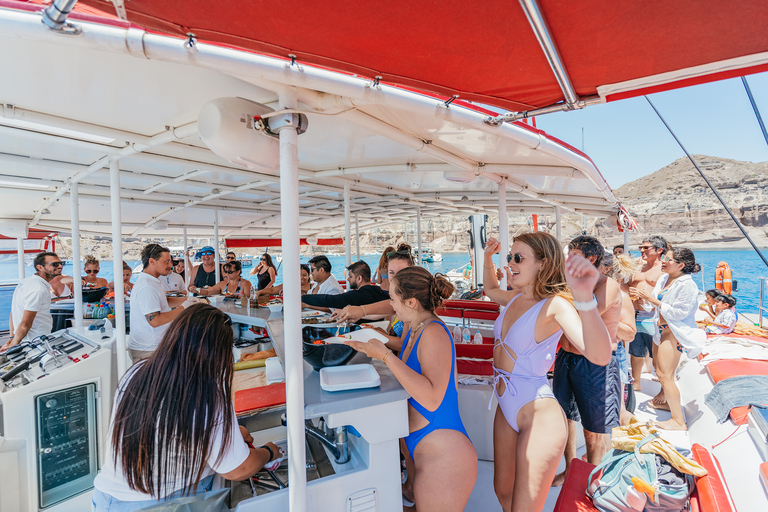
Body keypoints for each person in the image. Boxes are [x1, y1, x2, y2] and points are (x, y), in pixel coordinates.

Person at [92, 305, 282, 510]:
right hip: (162, 504)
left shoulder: (138, 371)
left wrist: (232, 435)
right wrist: (269, 452)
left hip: (105, 500)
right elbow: (237, 469)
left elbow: (168, 433)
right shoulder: (206, 392)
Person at [482, 234, 612, 512]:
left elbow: (599, 355)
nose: (511, 264)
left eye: (519, 258)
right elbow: (491, 289)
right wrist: (486, 258)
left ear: (543, 264)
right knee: (502, 492)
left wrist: (585, 298)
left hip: (538, 414)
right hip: (505, 407)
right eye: (510, 257)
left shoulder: (556, 305)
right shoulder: (515, 297)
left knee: (524, 507)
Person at [345, 267, 477, 512]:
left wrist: (385, 356)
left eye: (394, 299)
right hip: (421, 451)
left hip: (444, 457)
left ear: (412, 302)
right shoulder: (414, 328)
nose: (391, 305)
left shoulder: (434, 332)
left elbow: (432, 398)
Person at [552, 236, 623, 487]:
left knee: (593, 431)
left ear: (590, 259)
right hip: (566, 358)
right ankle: (571, 471)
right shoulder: (568, 285)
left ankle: (591, 481)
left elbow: (584, 316)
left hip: (596, 366)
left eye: (573, 253)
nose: (567, 257)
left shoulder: (608, 286)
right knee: (565, 420)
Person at [632, 247, 705, 430]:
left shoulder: (687, 285)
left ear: (680, 265)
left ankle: (678, 421)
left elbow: (679, 313)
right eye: (664, 258)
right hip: (660, 331)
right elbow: (655, 304)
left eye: (668, 259)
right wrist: (644, 300)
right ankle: (666, 402)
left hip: (673, 333)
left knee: (665, 375)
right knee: (659, 369)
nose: (663, 261)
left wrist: (653, 300)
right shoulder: (665, 278)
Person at [129, 244, 198, 365]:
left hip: (154, 347)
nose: (171, 266)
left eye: (171, 262)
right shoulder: (147, 286)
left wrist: (190, 300)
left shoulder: (153, 281)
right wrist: (184, 307)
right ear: (152, 261)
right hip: (148, 350)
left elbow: (164, 300)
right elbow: (155, 320)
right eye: (166, 262)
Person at [331, 244, 415, 323]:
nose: (395, 276)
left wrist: (360, 311)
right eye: (391, 272)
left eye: (401, 271)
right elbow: (382, 313)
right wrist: (348, 312)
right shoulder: (398, 297)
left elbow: (389, 308)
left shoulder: (415, 298)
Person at [627, 235, 668, 392]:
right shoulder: (638, 267)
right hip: (636, 315)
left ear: (659, 250)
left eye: (646, 248)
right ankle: (636, 383)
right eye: (641, 247)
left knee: (658, 356)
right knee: (636, 352)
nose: (641, 251)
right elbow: (627, 285)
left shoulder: (664, 269)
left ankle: (664, 390)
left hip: (654, 318)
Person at [1, 252, 61, 352]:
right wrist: (13, 346)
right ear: (40, 267)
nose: (59, 266)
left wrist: (12, 337)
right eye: (54, 264)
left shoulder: (25, 282)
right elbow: (25, 324)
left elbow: (13, 312)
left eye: (60, 263)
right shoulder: (38, 289)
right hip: (36, 343)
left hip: (26, 340)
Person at [302, 261, 389, 311]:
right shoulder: (380, 292)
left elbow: (330, 300)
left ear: (359, 278)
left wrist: (303, 299)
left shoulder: (356, 295)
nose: (348, 279)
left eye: (350, 276)